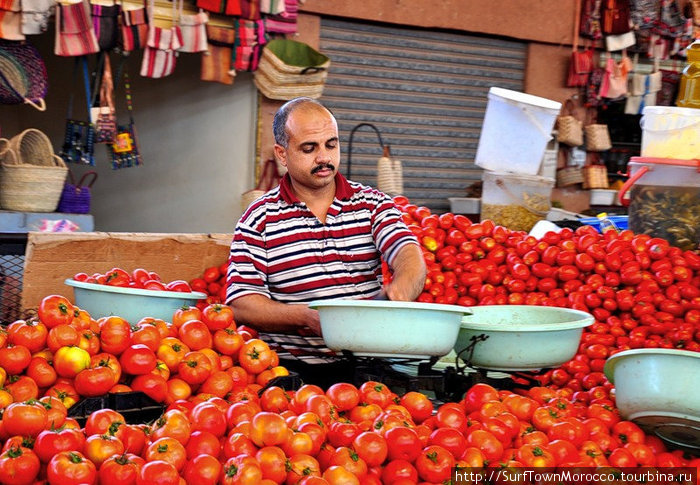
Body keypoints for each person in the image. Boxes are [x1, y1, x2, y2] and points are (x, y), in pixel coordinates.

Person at [225, 97, 426, 385]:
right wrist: (306, 317)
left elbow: (406, 251)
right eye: (309, 148)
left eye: (331, 145)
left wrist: (404, 286)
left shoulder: (373, 205)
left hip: (367, 368)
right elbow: (242, 303)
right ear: (282, 154)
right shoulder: (258, 219)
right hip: (290, 374)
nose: (324, 158)